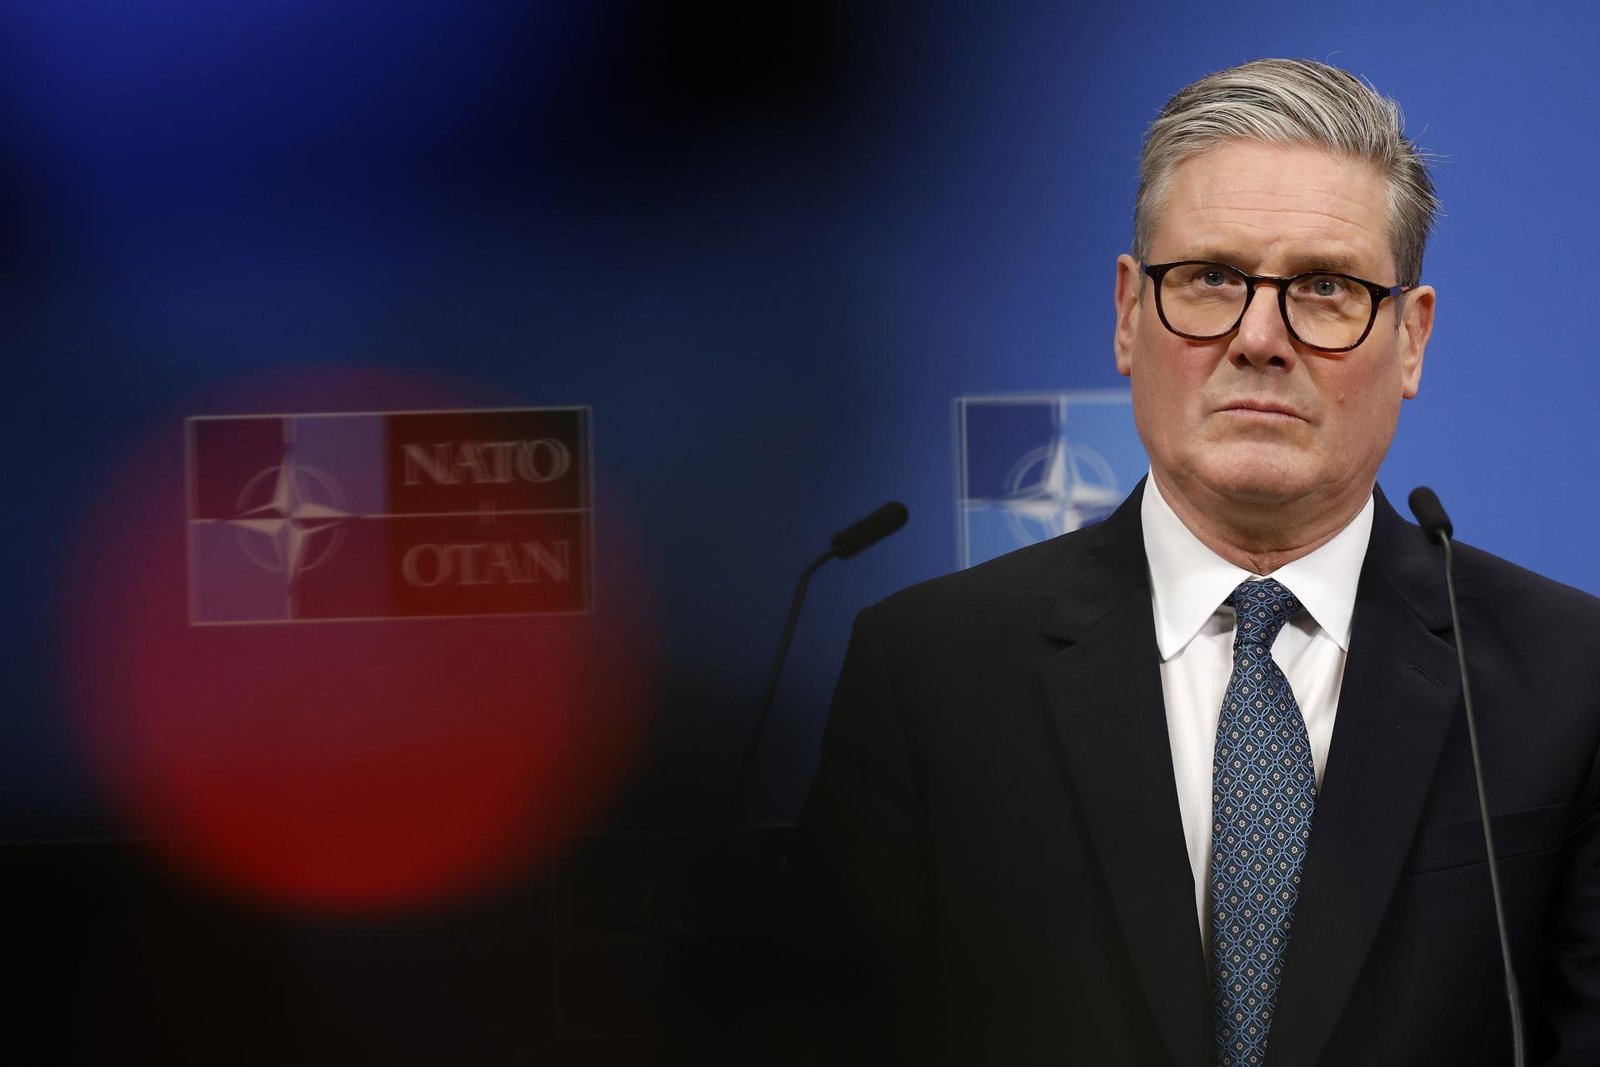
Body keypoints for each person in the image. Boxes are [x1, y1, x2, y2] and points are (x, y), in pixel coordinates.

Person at [800, 58, 1600, 1065]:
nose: (1259, 338)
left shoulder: (1569, 678)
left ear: (1411, 339)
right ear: (1127, 313)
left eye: (1325, 287)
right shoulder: (927, 670)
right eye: (1212, 277)